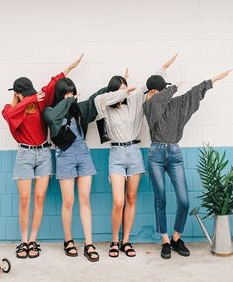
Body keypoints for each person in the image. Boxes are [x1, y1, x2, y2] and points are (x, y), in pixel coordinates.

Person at [143, 66, 232, 259]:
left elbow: (194, 94)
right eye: (161, 90)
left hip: (174, 153)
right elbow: (158, 102)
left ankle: (176, 238)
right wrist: (172, 88)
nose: (165, 93)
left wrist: (213, 80)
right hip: (156, 154)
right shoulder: (149, 106)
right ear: (152, 92)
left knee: (184, 201)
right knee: (161, 200)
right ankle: (165, 241)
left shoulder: (175, 104)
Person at [94, 55, 177, 258]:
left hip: (135, 153)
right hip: (116, 154)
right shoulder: (104, 105)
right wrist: (120, 92)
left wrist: (162, 69)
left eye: (126, 88)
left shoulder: (135, 100)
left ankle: (126, 241)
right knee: (118, 202)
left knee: (131, 199)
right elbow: (100, 98)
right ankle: (114, 240)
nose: (125, 92)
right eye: (120, 89)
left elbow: (150, 85)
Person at [2, 56, 83, 258]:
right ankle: (22, 241)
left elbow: (52, 83)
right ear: (18, 95)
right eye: (26, 95)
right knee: (24, 199)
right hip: (24, 155)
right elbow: (11, 116)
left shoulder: (39, 103)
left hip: (44, 154)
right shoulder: (9, 109)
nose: (32, 96)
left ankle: (32, 241)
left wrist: (69, 68)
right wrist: (30, 99)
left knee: (39, 199)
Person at [43, 60, 108, 262]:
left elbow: (94, 100)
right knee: (69, 201)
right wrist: (68, 101)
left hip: (83, 154)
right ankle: (68, 240)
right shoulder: (50, 112)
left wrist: (113, 86)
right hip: (64, 156)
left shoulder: (78, 110)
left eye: (73, 93)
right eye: (66, 93)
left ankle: (89, 244)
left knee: (85, 200)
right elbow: (53, 117)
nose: (71, 97)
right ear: (61, 95)